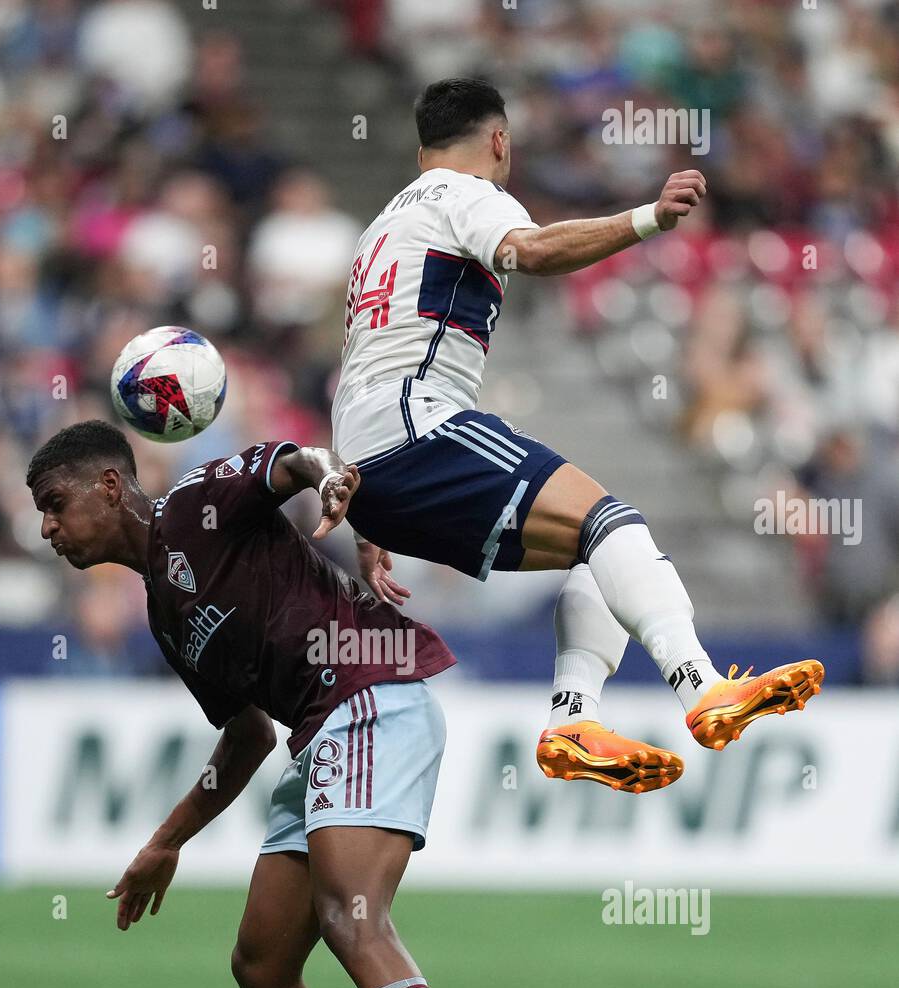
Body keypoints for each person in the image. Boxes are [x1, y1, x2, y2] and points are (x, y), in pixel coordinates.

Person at [27, 419, 505, 988]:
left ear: (110, 486)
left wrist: (335, 493)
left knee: (350, 915)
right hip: (317, 733)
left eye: (54, 504)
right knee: (260, 960)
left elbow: (297, 462)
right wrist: (165, 840)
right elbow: (246, 737)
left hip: (370, 692)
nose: (46, 528)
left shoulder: (197, 506)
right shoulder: (165, 616)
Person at [332, 77, 823, 793]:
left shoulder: (378, 230)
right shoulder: (466, 194)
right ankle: (700, 688)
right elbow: (530, 252)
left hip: (372, 458)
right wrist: (649, 218)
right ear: (498, 141)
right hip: (419, 426)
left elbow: (357, 364)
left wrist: (364, 515)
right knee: (612, 521)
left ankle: (572, 720)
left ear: (418, 148)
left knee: (601, 555)